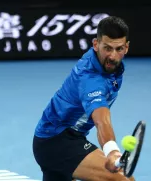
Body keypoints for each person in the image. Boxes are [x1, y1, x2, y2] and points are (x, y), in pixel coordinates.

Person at [32, 16, 134, 181]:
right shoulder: (90, 79)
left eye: (119, 49)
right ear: (96, 44)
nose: (113, 56)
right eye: (107, 48)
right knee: (123, 179)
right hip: (57, 141)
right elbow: (101, 119)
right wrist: (112, 151)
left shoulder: (110, 67)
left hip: (63, 138)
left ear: (127, 47)